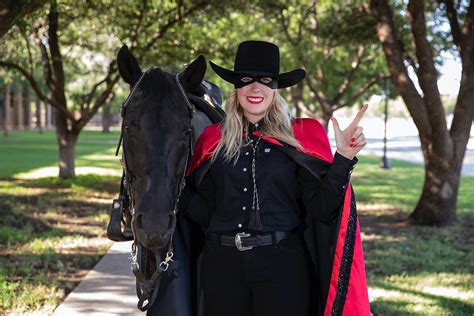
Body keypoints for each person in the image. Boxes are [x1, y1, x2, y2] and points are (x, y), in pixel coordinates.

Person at [179, 40, 370, 316]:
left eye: (266, 81)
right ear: (236, 87)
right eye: (246, 80)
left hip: (284, 268)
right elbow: (203, 212)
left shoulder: (300, 137)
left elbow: (322, 209)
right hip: (222, 268)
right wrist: (164, 181)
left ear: (276, 89)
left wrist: (343, 158)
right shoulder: (213, 140)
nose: (256, 88)